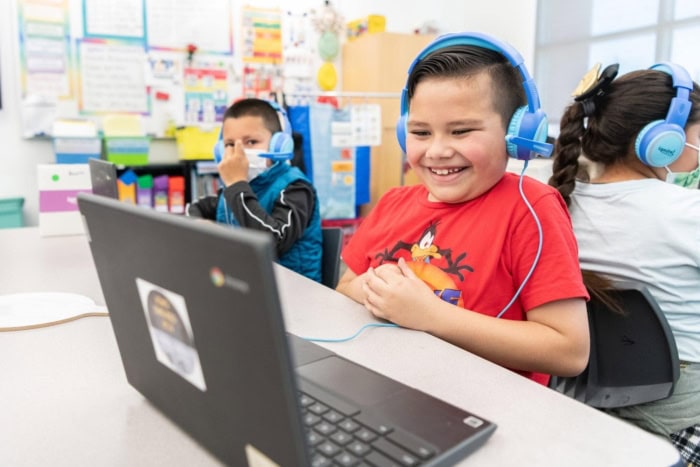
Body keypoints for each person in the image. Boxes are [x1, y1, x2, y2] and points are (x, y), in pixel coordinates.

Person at [335, 32, 591, 386]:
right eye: (421, 133)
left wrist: (432, 315)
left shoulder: (531, 209)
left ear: (516, 134)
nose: (437, 150)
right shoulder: (394, 201)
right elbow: (345, 285)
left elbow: (569, 351)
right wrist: (375, 290)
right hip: (387, 382)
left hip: (484, 405)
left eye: (461, 131)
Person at [548, 62, 700, 464]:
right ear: (663, 139)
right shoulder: (686, 211)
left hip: (584, 397)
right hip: (679, 413)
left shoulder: (559, 201)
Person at [187, 98, 322, 283]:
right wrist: (203, 225)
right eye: (229, 144)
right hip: (249, 286)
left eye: (251, 142)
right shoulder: (235, 191)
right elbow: (195, 208)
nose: (239, 151)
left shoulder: (296, 188)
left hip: (294, 295)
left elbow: (273, 242)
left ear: (279, 144)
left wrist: (236, 185)